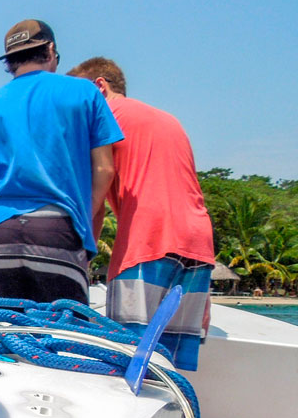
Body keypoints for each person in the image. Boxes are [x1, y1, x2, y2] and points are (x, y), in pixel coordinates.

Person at [0, 19, 123, 303]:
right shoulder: (84, 93)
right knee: (59, 339)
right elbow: (105, 170)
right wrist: (77, 220)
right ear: (50, 50)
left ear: (10, 61)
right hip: (58, 234)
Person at [67, 58, 216, 371]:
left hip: (146, 242)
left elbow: (94, 203)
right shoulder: (167, 119)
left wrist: (79, 261)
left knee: (129, 361)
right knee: (170, 367)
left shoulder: (103, 120)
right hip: (198, 246)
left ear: (99, 86)